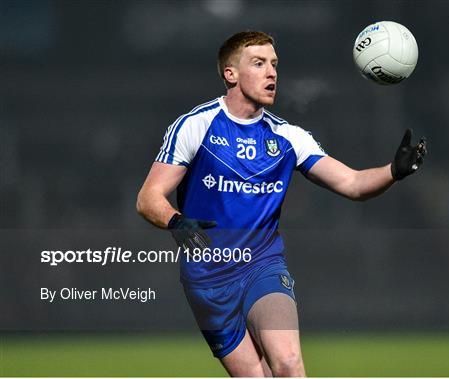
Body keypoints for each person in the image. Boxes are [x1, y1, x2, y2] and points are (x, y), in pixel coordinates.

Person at [136, 30, 426, 377]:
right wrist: (177, 222)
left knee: (288, 363)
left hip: (262, 266)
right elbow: (148, 198)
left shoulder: (288, 137)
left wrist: (393, 171)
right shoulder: (195, 126)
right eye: (258, 63)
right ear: (231, 74)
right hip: (206, 280)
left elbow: (352, 183)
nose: (271, 72)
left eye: (274, 64)